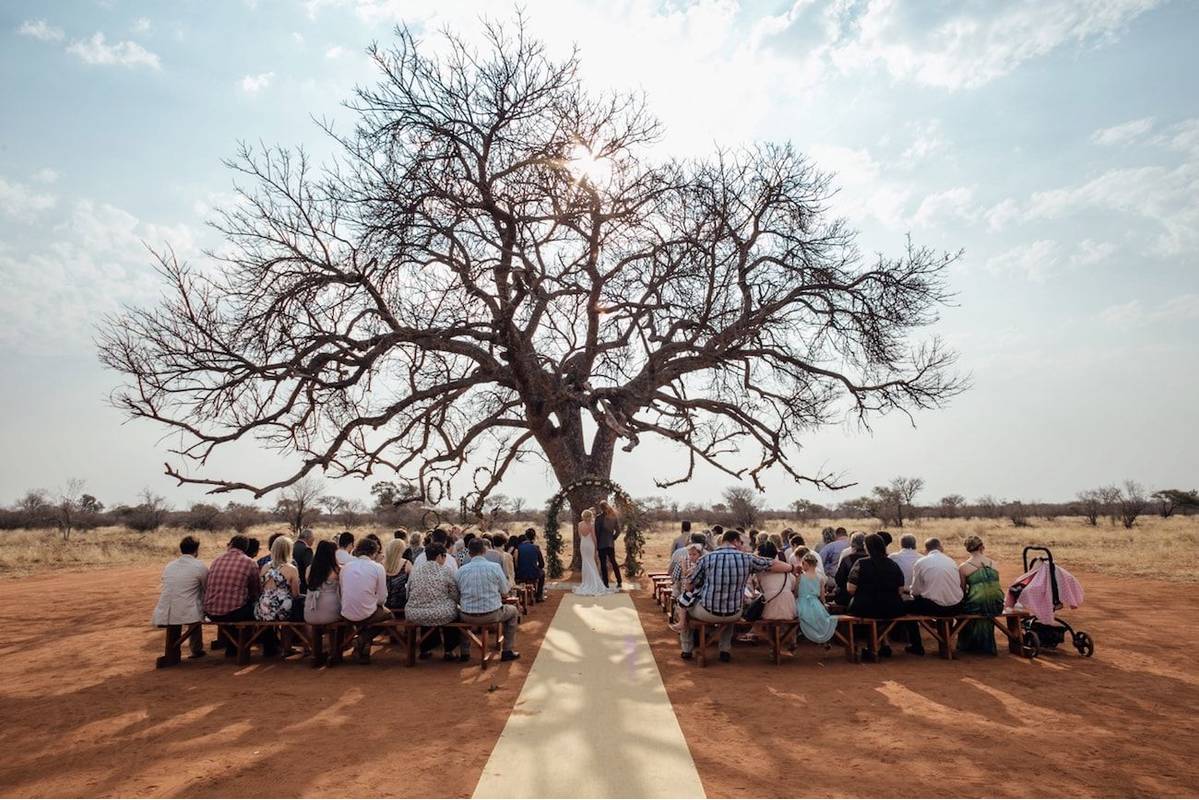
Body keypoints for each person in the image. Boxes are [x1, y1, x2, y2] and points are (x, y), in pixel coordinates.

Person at [683, 529, 794, 662]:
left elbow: (690, 585)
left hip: (708, 611)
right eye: (741, 542)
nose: (741, 545)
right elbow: (771, 563)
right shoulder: (747, 558)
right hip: (734, 613)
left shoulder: (706, 558)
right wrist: (792, 568)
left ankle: (687, 649)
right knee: (730, 609)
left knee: (686, 608)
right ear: (734, 541)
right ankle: (724, 650)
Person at [846, 532, 920, 659]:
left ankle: (870, 648)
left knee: (864, 615)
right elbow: (900, 589)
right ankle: (880, 645)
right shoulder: (893, 564)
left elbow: (850, 589)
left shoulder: (861, 563)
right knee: (879, 618)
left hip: (865, 607)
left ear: (868, 547)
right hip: (892, 608)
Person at [203, 535, 276, 657]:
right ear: (246, 548)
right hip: (233, 612)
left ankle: (233, 647)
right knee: (264, 611)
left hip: (211, 612)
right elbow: (256, 591)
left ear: (231, 545)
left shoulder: (217, 560)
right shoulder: (249, 563)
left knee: (236, 606)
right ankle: (270, 648)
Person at [458, 538, 521, 662]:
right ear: (485, 551)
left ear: (469, 553)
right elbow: (504, 591)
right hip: (492, 614)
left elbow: (457, 594)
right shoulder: (495, 567)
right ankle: (507, 650)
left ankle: (465, 652)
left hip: (467, 615)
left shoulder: (461, 570)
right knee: (513, 612)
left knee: (458, 616)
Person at [151, 535, 208, 660]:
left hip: (166, 609)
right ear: (196, 550)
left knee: (181, 612)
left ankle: (173, 651)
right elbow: (206, 588)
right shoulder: (200, 566)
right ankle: (196, 649)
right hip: (188, 611)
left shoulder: (169, 565)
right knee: (195, 613)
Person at [405, 544, 466, 660]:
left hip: (414, 613)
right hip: (440, 614)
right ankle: (449, 651)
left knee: (427, 610)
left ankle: (425, 648)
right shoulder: (446, 571)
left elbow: (408, 593)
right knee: (452, 612)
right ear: (439, 556)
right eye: (444, 557)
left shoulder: (415, 570)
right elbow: (455, 595)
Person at [340, 538, 392, 663]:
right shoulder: (378, 567)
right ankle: (362, 639)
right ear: (374, 552)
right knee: (389, 616)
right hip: (366, 613)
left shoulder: (346, 567)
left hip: (346, 612)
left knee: (367, 613)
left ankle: (362, 651)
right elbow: (382, 598)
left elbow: (342, 591)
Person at [958, 535, 1004, 655]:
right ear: (982, 547)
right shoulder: (994, 563)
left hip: (976, 605)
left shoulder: (963, 567)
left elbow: (962, 591)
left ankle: (970, 645)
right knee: (983, 603)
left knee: (964, 608)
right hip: (997, 604)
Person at [909, 538, 964, 616]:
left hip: (935, 608)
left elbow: (915, 591)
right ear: (939, 547)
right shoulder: (951, 561)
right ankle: (945, 627)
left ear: (926, 549)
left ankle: (929, 625)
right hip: (956, 607)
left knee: (908, 604)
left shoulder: (921, 562)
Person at [255, 535, 301, 622]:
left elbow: (260, 588)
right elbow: (296, 594)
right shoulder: (292, 569)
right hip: (281, 610)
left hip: (263, 609)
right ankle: (289, 635)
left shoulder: (265, 566)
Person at [796, 552, 837, 644]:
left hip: (801, 603)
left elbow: (796, 592)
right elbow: (822, 596)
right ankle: (822, 638)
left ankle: (797, 637)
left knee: (803, 616)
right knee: (821, 617)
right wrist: (824, 604)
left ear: (805, 564)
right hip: (816, 603)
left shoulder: (800, 577)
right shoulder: (820, 578)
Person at [668, 534, 706, 633]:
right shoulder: (710, 556)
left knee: (681, 599)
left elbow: (676, 577)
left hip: (694, 591)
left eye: (694, 555)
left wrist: (683, 566)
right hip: (703, 593)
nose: (691, 556)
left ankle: (682, 625)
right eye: (691, 554)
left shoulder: (685, 557)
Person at [752, 542, 798, 622]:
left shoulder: (759, 571)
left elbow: (757, 586)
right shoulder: (785, 568)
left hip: (769, 608)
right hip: (789, 608)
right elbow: (793, 584)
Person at [303, 541, 342, 625]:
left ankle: (316, 638)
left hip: (310, 613)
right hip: (331, 612)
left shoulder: (309, 569)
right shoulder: (337, 570)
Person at [574, 508, 610, 596]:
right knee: (591, 561)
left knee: (585, 562)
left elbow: (579, 535)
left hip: (583, 544)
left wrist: (584, 540)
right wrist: (596, 546)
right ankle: (594, 581)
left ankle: (586, 581)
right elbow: (594, 537)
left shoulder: (579, 524)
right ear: (590, 516)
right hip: (590, 544)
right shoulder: (591, 525)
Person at [833, 532, 868, 606]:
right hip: (868, 597)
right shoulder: (871, 559)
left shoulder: (847, 559)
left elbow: (838, 579)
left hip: (848, 598)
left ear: (852, 544)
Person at [594, 500, 622, 590]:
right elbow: (618, 530)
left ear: (601, 508)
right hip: (610, 543)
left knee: (603, 564)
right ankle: (619, 581)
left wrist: (597, 543)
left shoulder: (598, 518)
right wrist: (613, 538)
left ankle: (605, 584)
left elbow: (596, 532)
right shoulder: (613, 517)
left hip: (601, 544)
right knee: (614, 562)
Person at [515, 529, 546, 602]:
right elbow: (542, 564)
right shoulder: (536, 547)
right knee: (542, 573)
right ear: (534, 537)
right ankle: (539, 595)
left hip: (520, 574)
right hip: (533, 573)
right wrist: (536, 568)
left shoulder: (519, 547)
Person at [383, 538, 412, 612]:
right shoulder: (407, 564)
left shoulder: (381, 564)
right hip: (401, 605)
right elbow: (413, 583)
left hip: (384, 604)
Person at [293, 529, 315, 593]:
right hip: (302, 585)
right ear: (308, 538)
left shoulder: (291, 546)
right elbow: (309, 568)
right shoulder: (307, 550)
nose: (313, 541)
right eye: (313, 538)